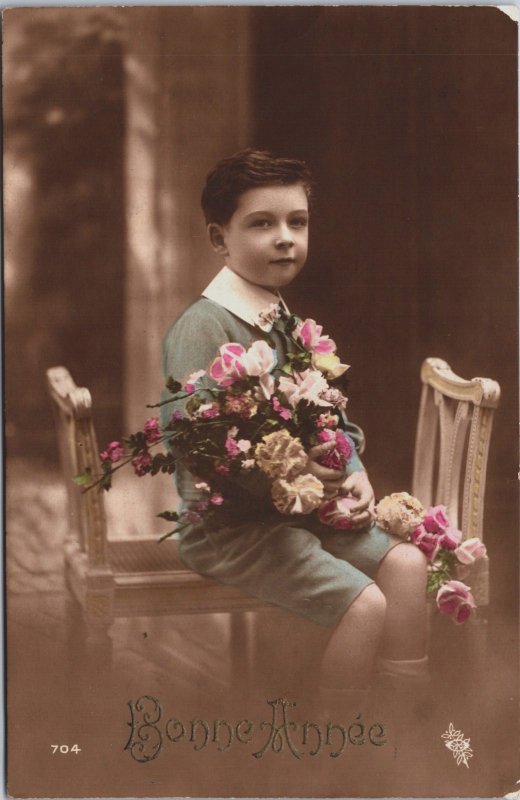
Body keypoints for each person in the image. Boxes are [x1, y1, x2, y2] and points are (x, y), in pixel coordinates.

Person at [161, 149, 429, 704]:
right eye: (262, 223)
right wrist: (297, 479)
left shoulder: (282, 318)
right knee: (366, 603)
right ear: (219, 239)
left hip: (301, 513)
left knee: (407, 564)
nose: (285, 237)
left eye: (296, 222)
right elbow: (200, 447)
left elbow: (327, 414)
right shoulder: (203, 326)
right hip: (233, 527)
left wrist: (351, 470)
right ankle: (341, 743)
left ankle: (407, 719)